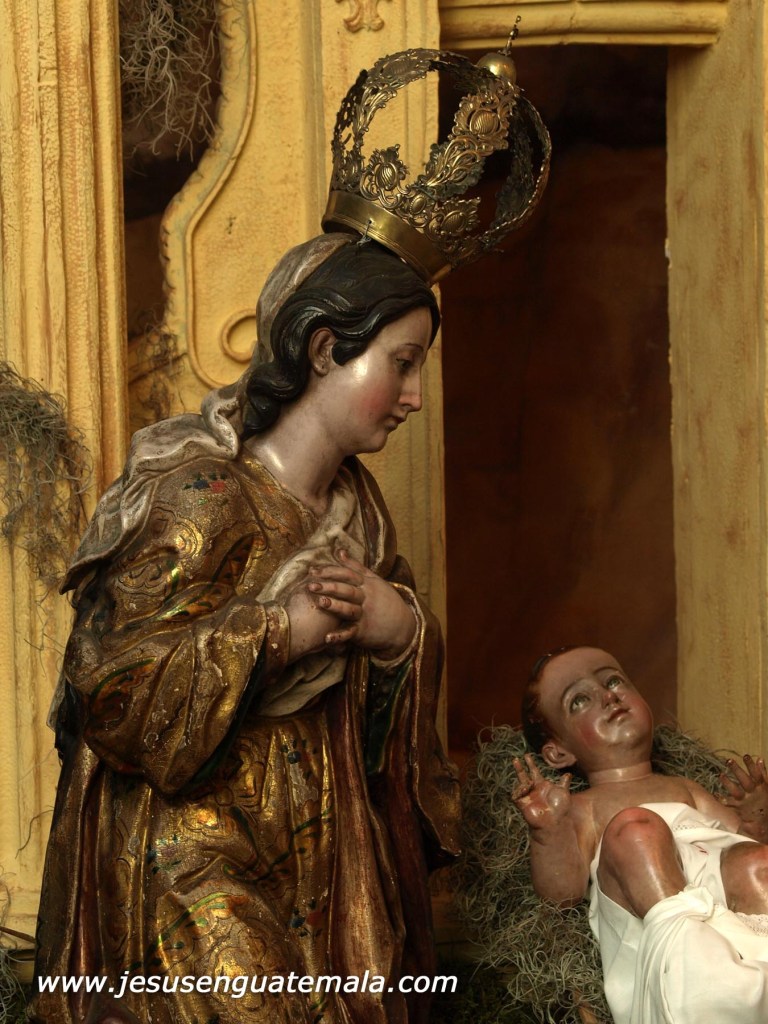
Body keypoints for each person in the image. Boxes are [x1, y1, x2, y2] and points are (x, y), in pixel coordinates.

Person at [30, 233, 460, 1024]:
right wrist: (279, 632)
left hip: (322, 850)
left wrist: (400, 632)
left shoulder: (361, 518)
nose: (414, 397)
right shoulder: (202, 495)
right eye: (402, 364)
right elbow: (112, 693)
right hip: (191, 849)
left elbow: (378, 723)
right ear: (324, 349)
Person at [514, 644, 768, 1024]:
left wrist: (754, 822)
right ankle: (700, 978)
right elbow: (561, 896)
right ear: (558, 754)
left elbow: (738, 845)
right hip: (656, 920)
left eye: (614, 681)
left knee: (757, 861)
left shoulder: (684, 787)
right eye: (579, 701)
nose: (608, 696)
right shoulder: (581, 808)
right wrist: (548, 831)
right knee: (635, 830)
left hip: (729, 914)